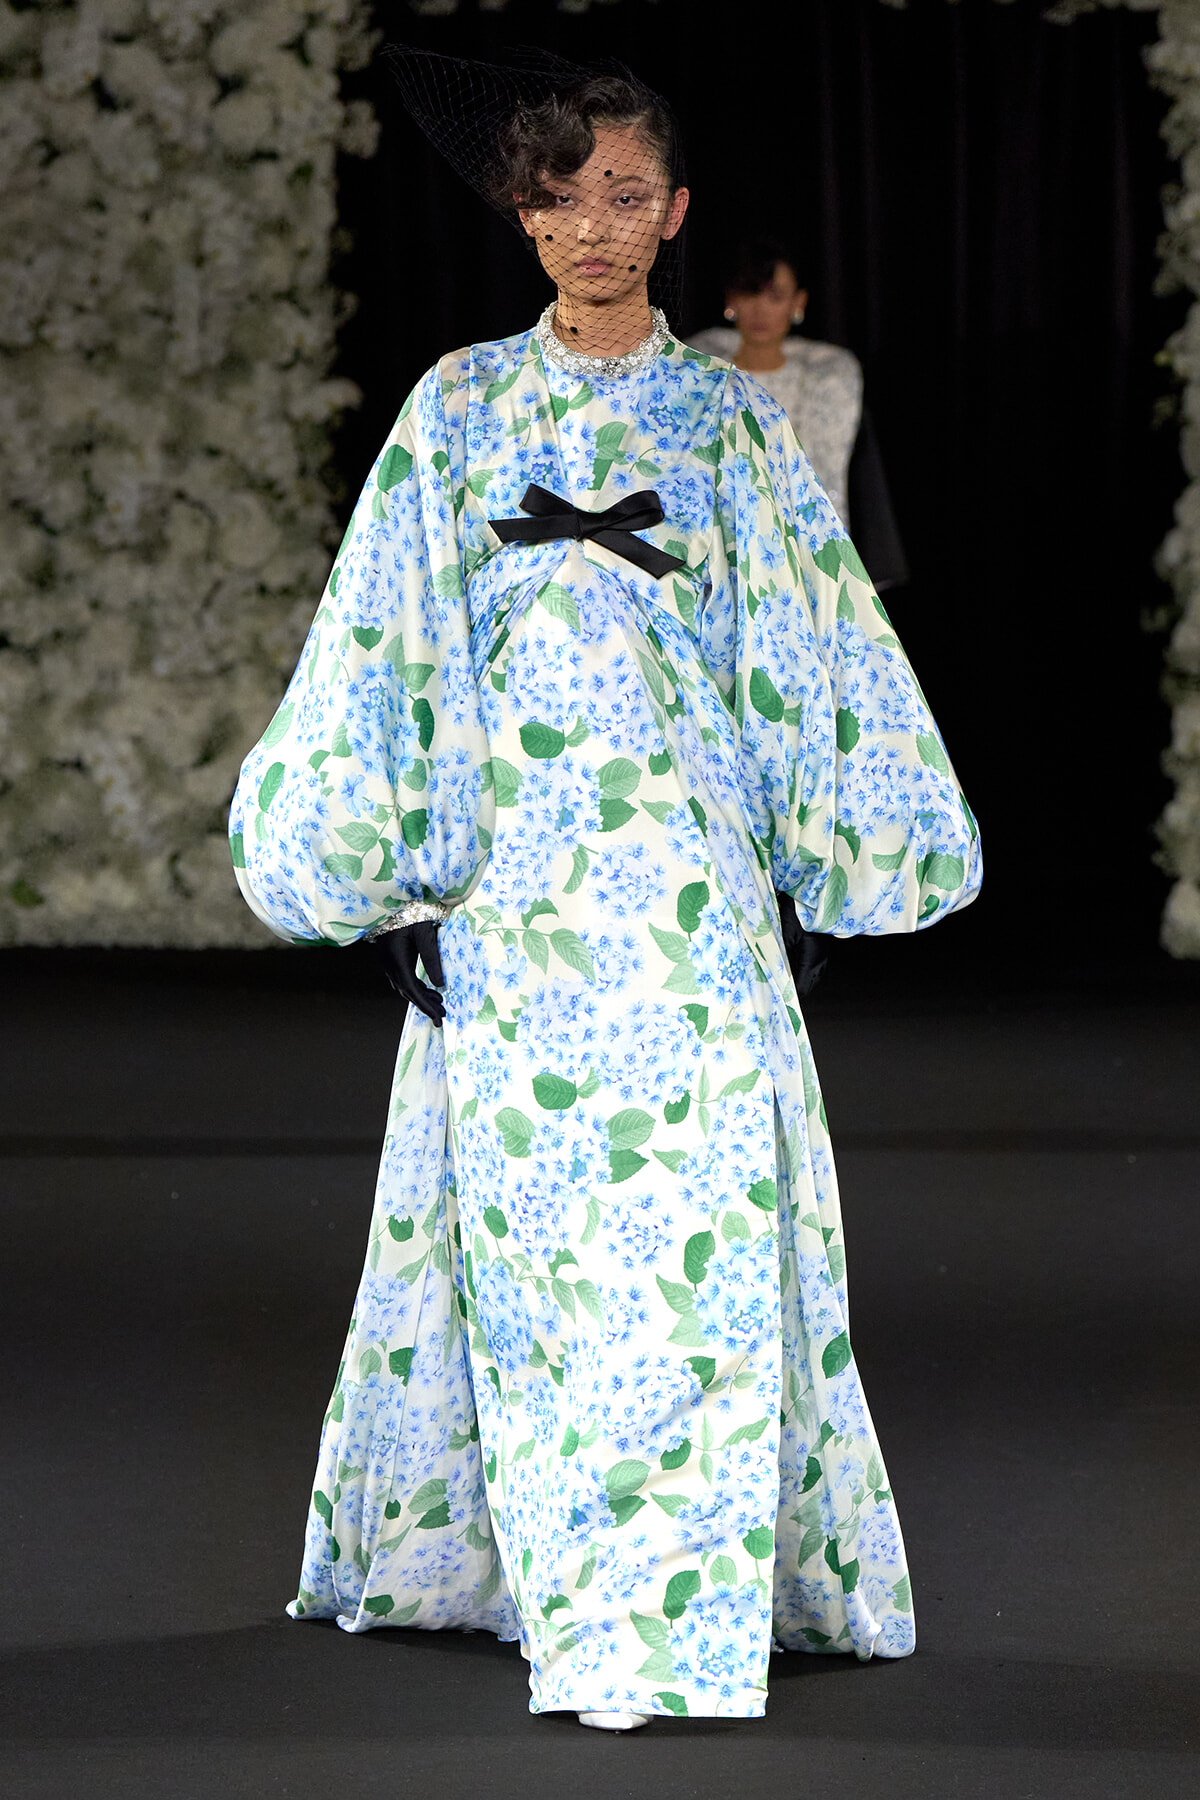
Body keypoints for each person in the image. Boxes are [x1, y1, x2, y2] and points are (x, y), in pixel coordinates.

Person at [229, 55, 981, 1731]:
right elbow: (388, 644)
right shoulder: (459, 410)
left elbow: (806, 645)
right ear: (521, 209)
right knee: (542, 1250)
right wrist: (395, 870)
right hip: (518, 904)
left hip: (692, 901)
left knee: (699, 1242)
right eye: (560, 194)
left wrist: (830, 851)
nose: (592, 226)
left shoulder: (723, 421)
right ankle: (559, 1584)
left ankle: (667, 1620)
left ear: (680, 211)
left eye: (626, 193)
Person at [690, 239, 909, 591]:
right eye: (749, 295)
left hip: (798, 548)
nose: (761, 310)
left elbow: (827, 477)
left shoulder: (829, 378)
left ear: (798, 303)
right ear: (731, 300)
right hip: (716, 545)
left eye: (775, 297)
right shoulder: (700, 371)